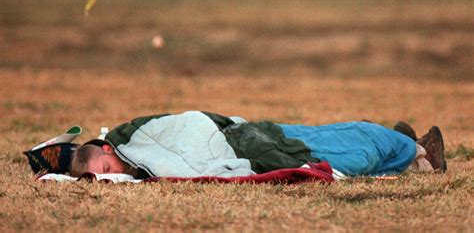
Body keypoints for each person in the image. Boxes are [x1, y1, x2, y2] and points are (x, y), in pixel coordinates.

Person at [69, 111, 446, 178]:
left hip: (239, 139)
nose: (110, 178)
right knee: (352, 153)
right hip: (245, 141)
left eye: (106, 170)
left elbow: (187, 127)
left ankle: (408, 144)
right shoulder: (134, 170)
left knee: (352, 151)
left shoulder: (133, 141)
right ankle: (411, 146)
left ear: (106, 151)